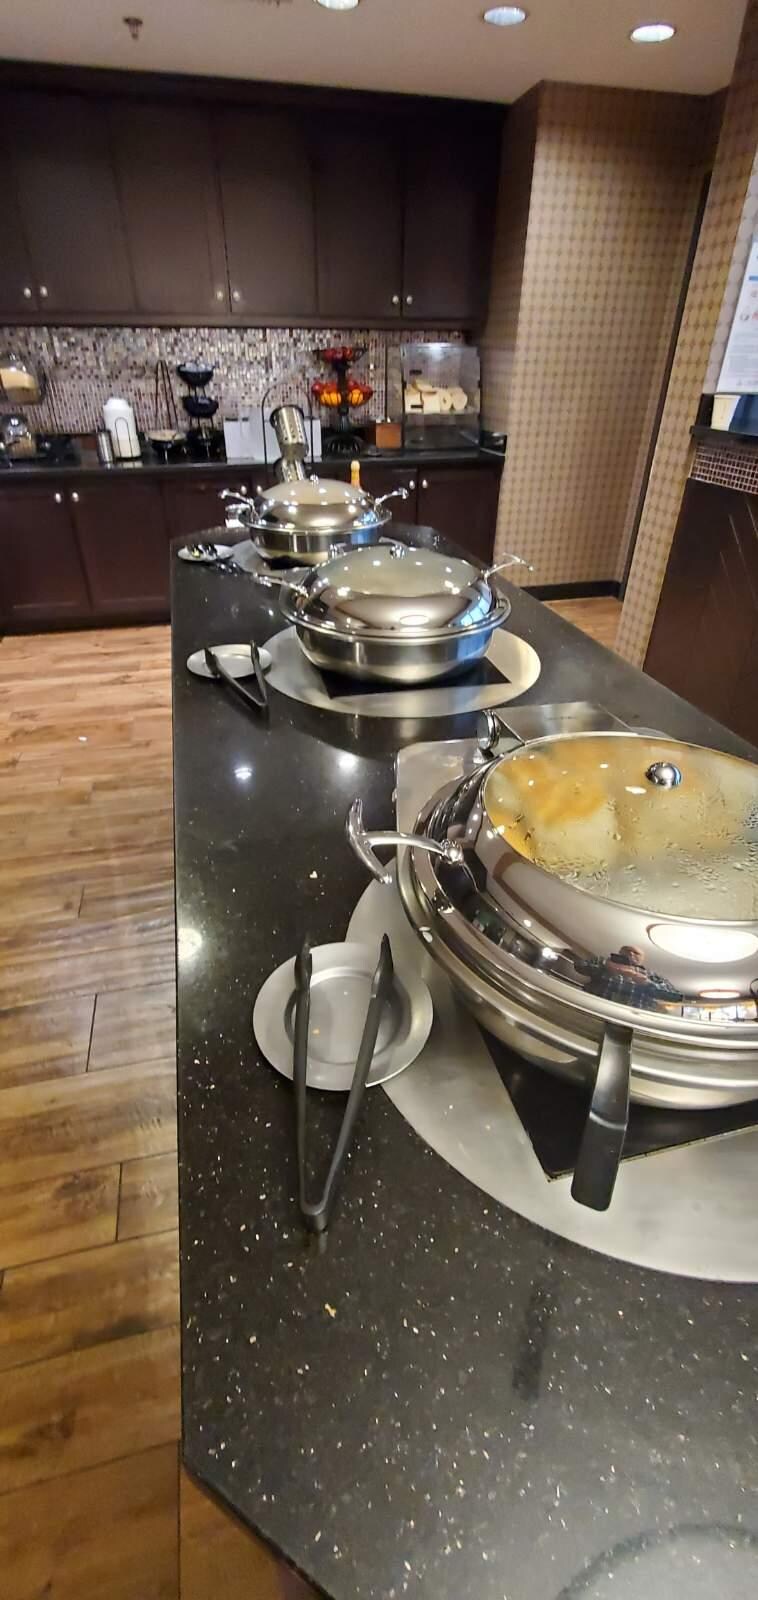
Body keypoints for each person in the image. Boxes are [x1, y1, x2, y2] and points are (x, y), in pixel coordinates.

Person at [569, 944, 682, 1011]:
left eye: (636, 953)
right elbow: (579, 966)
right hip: (593, 1006)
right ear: (620, 952)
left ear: (642, 959)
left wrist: (647, 982)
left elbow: (676, 997)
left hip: (633, 1017)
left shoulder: (652, 975)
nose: (631, 954)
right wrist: (605, 967)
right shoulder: (602, 960)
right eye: (627, 950)